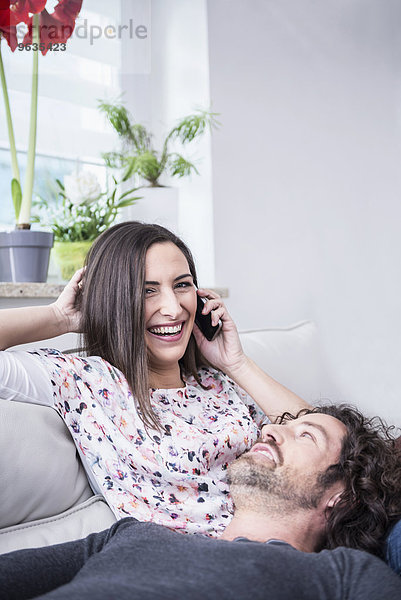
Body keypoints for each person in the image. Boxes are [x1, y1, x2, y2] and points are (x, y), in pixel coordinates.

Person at [0, 221, 308, 538]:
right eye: (147, 291)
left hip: (283, 544)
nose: (173, 308)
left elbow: (329, 443)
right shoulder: (86, 382)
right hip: (201, 564)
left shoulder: (217, 382)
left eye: (182, 285)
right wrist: (59, 317)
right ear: (115, 300)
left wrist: (237, 364)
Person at [1, 405, 401, 600]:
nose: (271, 431)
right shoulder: (131, 535)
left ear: (342, 495)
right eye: (281, 424)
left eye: (306, 436)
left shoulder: (345, 575)